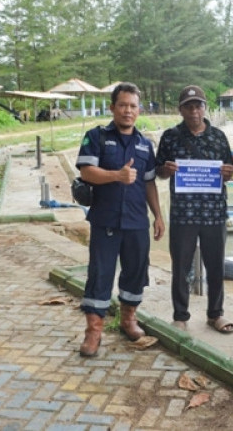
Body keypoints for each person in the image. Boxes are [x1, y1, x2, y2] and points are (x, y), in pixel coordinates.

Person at [75, 82, 165, 357]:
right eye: (123, 105)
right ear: (113, 107)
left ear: (139, 110)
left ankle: (129, 320)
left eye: (133, 106)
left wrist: (158, 216)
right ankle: (94, 332)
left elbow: (150, 183)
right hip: (106, 220)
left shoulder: (144, 144)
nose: (128, 111)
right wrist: (116, 175)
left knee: (136, 272)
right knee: (100, 274)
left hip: (137, 221)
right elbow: (87, 172)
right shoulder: (97, 137)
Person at [155, 85, 233, 333]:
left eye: (198, 105)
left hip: (214, 214)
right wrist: (165, 170)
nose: (194, 111)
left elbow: (230, 170)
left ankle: (215, 314)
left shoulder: (219, 137)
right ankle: (180, 316)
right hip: (183, 214)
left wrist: (228, 172)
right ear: (181, 110)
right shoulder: (170, 137)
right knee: (181, 266)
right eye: (188, 106)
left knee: (215, 266)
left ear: (205, 108)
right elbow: (157, 171)